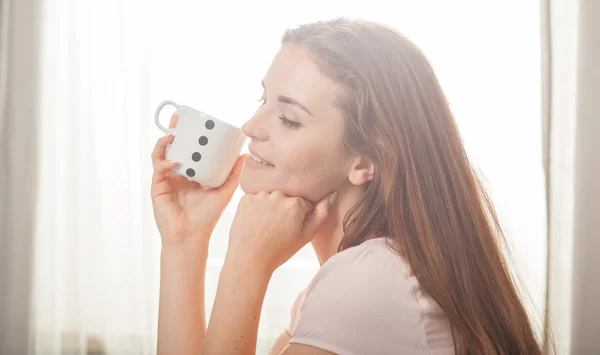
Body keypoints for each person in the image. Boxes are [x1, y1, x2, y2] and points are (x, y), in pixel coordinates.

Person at [151, 17, 547, 355]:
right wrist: (184, 242)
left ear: (364, 161)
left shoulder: (369, 283)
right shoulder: (353, 280)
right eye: (263, 100)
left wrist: (247, 262)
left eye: (289, 118)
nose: (252, 127)